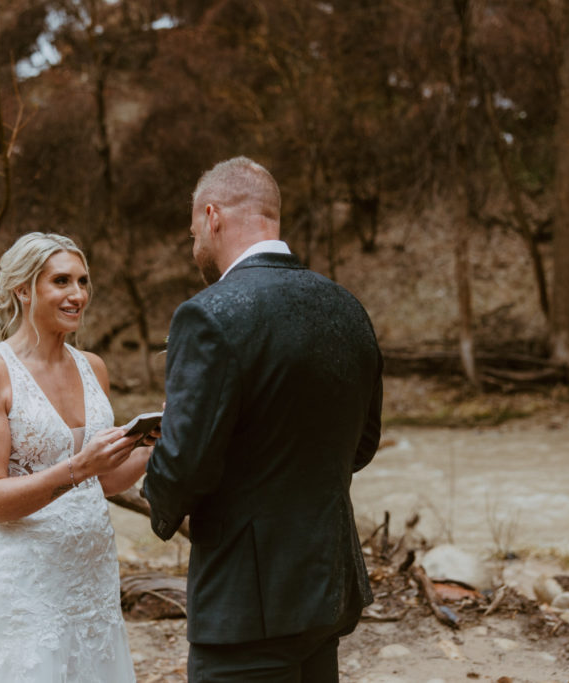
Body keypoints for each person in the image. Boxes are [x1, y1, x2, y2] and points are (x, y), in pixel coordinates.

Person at [142, 157, 383, 682]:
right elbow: (362, 444)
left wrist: (156, 486)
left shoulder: (208, 314)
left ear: (213, 217)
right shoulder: (347, 308)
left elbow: (183, 465)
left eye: (192, 234)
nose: (194, 249)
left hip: (245, 606)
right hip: (327, 588)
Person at [0, 232, 154, 682]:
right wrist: (80, 465)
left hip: (91, 576)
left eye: (83, 282)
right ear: (23, 289)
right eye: (61, 281)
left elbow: (107, 481)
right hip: (25, 581)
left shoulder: (92, 366)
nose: (77, 295)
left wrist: (154, 444)